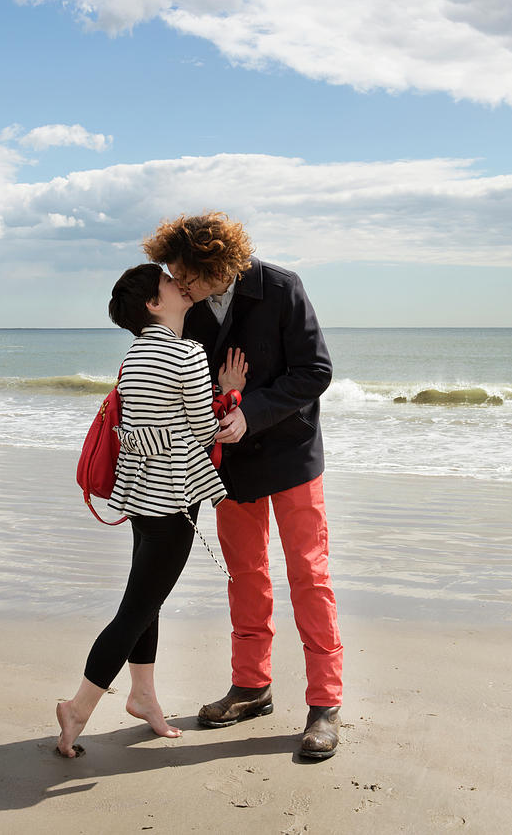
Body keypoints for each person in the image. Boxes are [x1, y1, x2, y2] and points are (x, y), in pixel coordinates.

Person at [143, 213, 343, 760]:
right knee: (245, 575)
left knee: (308, 575)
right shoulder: (187, 305)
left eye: (188, 277)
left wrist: (249, 410)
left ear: (217, 266)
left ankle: (325, 702)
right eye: (175, 276)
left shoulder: (282, 287)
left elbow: (315, 371)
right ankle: (251, 686)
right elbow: (174, 378)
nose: (179, 286)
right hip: (228, 465)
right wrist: (218, 405)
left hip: (293, 455)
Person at [56, 263, 244, 758]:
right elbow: (205, 433)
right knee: (135, 610)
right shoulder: (186, 353)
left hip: (141, 495)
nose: (178, 283)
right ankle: (78, 708)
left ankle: (142, 696)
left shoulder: (136, 355)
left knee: (145, 601)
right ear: (154, 304)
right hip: (173, 501)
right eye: (166, 281)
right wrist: (231, 392)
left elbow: (152, 428)